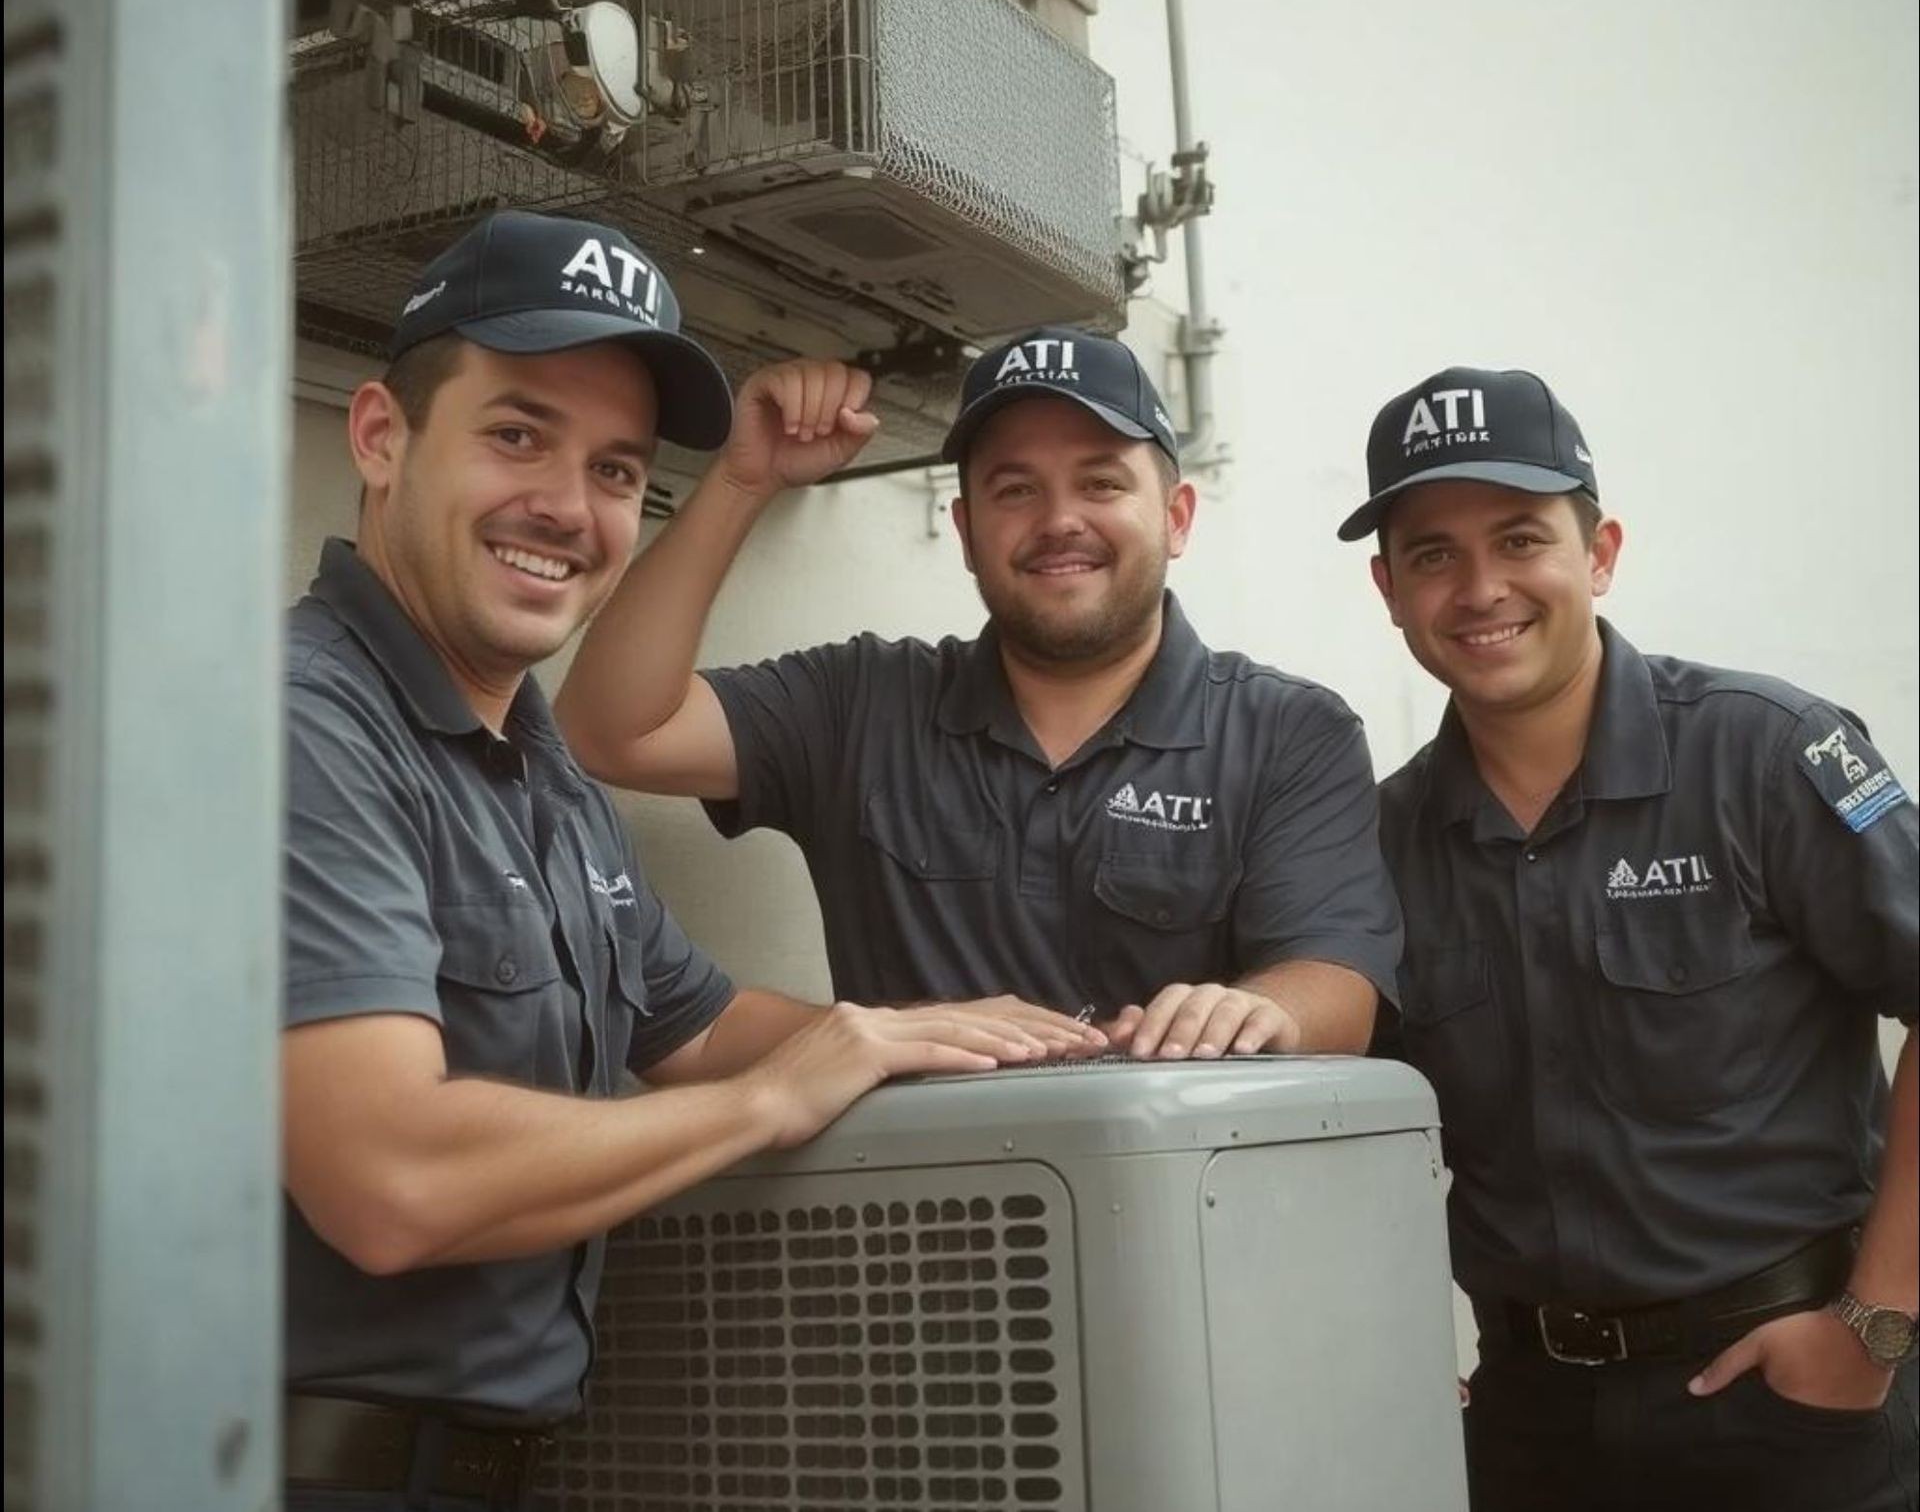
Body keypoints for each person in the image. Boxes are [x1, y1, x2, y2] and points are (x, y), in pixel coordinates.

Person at [279, 210, 1100, 1511]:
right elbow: (391, 1177)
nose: (568, 504)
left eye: (616, 469)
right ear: (381, 435)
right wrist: (769, 1103)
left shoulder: (533, 761)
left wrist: (936, 1034)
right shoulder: (307, 724)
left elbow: (697, 1019)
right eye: (515, 433)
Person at [1342, 365, 1919, 1511]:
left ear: (1599, 553)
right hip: (1528, 1427)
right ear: (1389, 590)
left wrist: (1875, 1324)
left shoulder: (1768, 754)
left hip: (1789, 1403)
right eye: (1433, 554)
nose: (1480, 588)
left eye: (1520, 539)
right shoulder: (1381, 839)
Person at [555, 327, 1401, 1060]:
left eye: (1102, 483)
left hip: (1186, 1212)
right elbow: (613, 730)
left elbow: (1337, 982)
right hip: (928, 1216)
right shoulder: (861, 701)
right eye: (1015, 489)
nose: (1059, 519)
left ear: (1177, 517)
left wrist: (1262, 1010)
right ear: (965, 533)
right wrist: (743, 481)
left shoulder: (1290, 732)